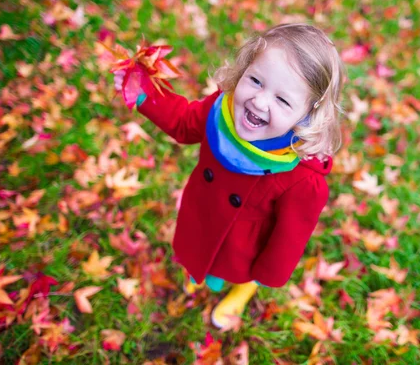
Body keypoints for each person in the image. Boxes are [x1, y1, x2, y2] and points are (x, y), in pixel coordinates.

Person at [113, 23, 345, 328]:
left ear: (308, 115)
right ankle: (203, 271)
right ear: (243, 69)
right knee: (202, 252)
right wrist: (142, 92)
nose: (260, 102)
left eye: (283, 100)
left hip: (244, 246)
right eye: (256, 81)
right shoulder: (219, 111)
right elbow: (184, 122)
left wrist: (267, 275)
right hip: (203, 212)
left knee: (234, 268)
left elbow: (289, 238)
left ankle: (244, 287)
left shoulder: (302, 179)